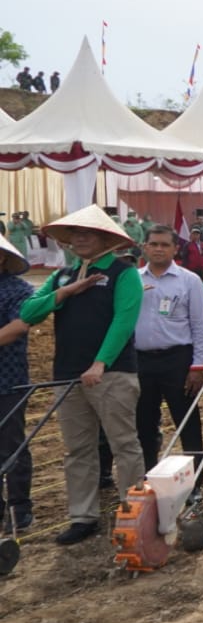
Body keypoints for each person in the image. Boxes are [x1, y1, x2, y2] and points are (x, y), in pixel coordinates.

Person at [18, 207, 144, 545]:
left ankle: (134, 512)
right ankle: (83, 516)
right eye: (75, 234)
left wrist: (100, 362)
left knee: (124, 444)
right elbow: (28, 312)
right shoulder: (63, 275)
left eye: (87, 232)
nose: (80, 238)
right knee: (78, 449)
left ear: (106, 238)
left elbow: (124, 321)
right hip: (67, 374)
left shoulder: (123, 273)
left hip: (112, 374)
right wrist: (67, 292)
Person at [133, 226, 203, 475]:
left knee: (188, 423)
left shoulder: (189, 281)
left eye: (164, 244)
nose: (158, 249)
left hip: (177, 360)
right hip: (140, 361)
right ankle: (148, 476)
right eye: (154, 244)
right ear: (144, 247)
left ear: (175, 249)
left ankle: (195, 483)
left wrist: (197, 366)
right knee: (143, 423)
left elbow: (200, 325)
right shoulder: (133, 280)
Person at [0, 236, 37, 530]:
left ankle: (19, 507)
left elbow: (18, 326)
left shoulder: (19, 290)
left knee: (11, 446)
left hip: (7, 380)